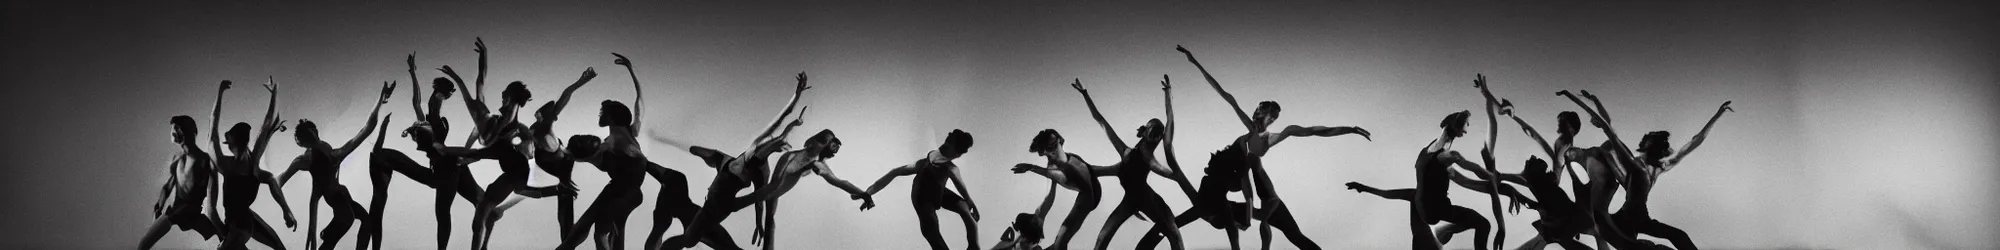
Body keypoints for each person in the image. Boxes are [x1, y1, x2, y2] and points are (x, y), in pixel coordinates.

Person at [1151, 48, 1378, 250]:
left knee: (1294, 234)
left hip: (1256, 191)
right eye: (1268, 113)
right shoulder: (1249, 130)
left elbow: (1312, 131)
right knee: (1217, 214)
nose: (1270, 118)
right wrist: (1195, 62)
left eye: (1273, 116)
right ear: (1261, 113)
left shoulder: (1271, 138)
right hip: (1233, 184)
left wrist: (1349, 129)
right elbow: (1224, 94)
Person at [649, 72, 814, 250]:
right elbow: (779, 122)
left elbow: (760, 199)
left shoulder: (759, 172)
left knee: (689, 240)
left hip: (720, 207)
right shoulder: (744, 154)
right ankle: (667, 141)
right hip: (715, 198)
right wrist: (796, 98)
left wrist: (759, 223)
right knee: (692, 238)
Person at [1559, 90, 1731, 250]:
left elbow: (1694, 142)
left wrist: (1717, 115)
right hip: (1627, 218)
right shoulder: (1634, 164)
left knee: (1678, 235)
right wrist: (1578, 100)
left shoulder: (1662, 166)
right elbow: (1609, 130)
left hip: (1639, 218)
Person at [662, 128, 876, 250]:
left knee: (763, 222)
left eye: (826, 142)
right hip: (740, 195)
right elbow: (766, 189)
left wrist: (862, 192)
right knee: (695, 236)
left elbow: (835, 180)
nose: (818, 143)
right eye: (823, 140)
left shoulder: (814, 164)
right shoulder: (790, 156)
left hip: (748, 196)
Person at [1343, 111, 1494, 250]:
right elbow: (1475, 169)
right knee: (1483, 224)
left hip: (1423, 205)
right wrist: (1496, 177)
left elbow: (1390, 194)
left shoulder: (1427, 154)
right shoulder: (1447, 156)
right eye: (1467, 123)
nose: (1468, 128)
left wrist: (1364, 188)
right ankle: (1447, 230)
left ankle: (1447, 229)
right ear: (1458, 124)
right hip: (1437, 209)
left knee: (1415, 197)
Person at [278, 81, 393, 250]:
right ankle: (329, 233)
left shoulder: (334, 154)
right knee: (345, 223)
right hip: (336, 198)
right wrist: (285, 209)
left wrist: (380, 99)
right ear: (305, 143)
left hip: (342, 195)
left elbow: (367, 129)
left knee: (365, 221)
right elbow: (278, 182)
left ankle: (329, 232)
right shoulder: (307, 160)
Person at [205, 80, 301, 250]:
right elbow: (213, 126)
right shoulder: (225, 165)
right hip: (235, 226)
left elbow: (267, 123)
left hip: (249, 219)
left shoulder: (253, 162)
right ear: (230, 142)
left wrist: (274, 93)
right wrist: (219, 94)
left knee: (281, 247)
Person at [860, 130, 982, 250]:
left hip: (939, 192)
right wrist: (869, 192)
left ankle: (973, 246)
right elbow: (895, 172)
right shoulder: (935, 165)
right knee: (932, 231)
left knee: (965, 209)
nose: (957, 157)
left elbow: (961, 188)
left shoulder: (948, 167)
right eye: (957, 154)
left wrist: (969, 202)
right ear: (953, 149)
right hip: (922, 198)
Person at [1008, 129, 1104, 250]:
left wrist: (1050, 178)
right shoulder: (1023, 239)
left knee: (1055, 245)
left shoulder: (1038, 216)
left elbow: (1049, 198)